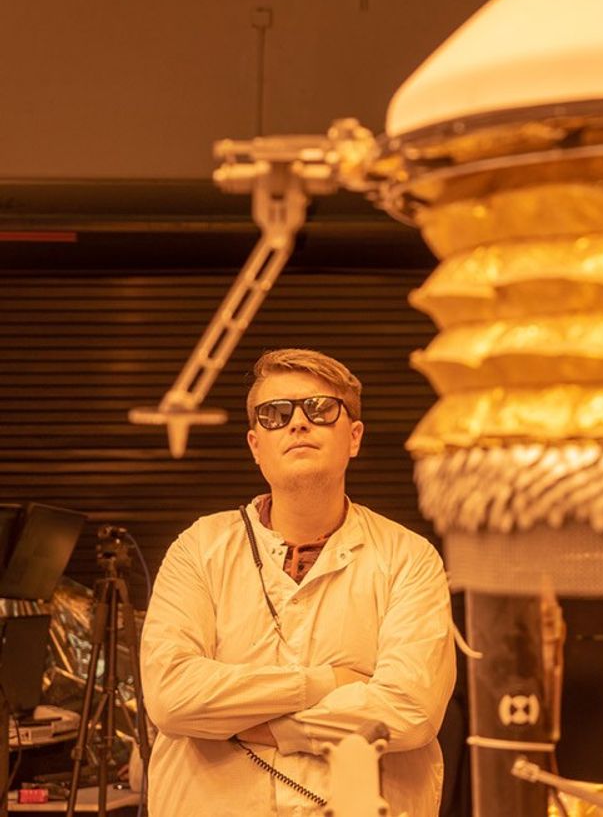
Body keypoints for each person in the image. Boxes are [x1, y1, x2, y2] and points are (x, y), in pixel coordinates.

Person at [140, 348, 455, 817]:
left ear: (354, 437)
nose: (299, 423)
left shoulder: (408, 557)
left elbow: (409, 712)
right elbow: (172, 697)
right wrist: (327, 682)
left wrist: (265, 727)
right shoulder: (198, 548)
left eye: (320, 409)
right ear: (255, 446)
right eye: (275, 414)